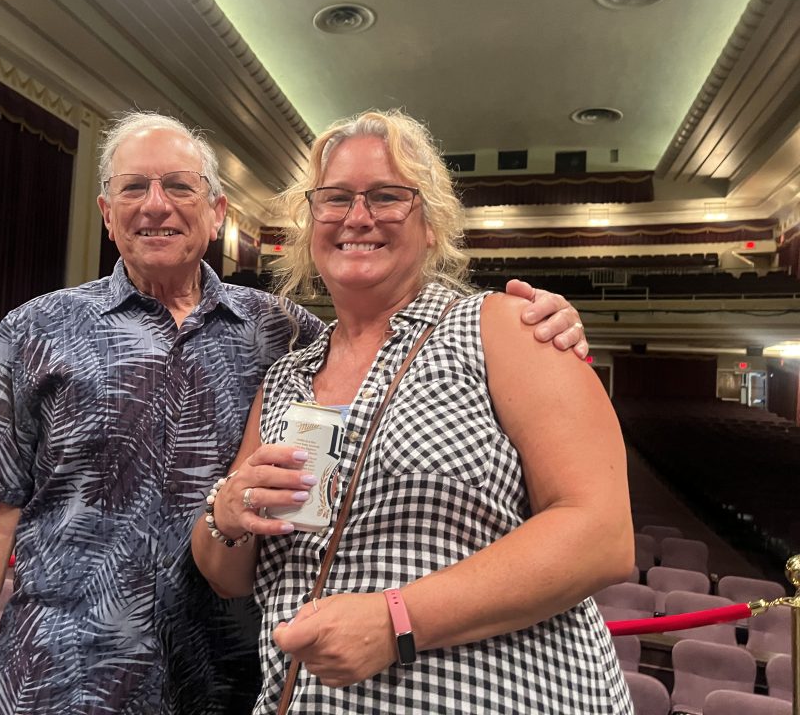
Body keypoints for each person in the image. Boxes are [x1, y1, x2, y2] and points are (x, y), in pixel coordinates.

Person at [0, 111, 589, 715]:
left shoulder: (287, 337)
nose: (156, 205)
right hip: (57, 678)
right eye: (133, 187)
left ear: (215, 212)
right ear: (105, 209)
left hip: (224, 683)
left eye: (179, 186)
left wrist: (546, 325)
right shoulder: (36, 329)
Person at [192, 109, 634, 713]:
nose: (357, 217)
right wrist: (228, 510)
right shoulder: (285, 377)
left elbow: (600, 535)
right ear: (309, 223)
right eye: (335, 198)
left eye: (388, 197)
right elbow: (228, 575)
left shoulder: (505, 327)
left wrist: (397, 620)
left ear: (431, 225)